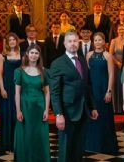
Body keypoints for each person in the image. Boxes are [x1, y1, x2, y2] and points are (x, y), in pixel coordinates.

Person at [49, 30, 98, 162]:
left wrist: (92, 107)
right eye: (69, 41)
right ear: (64, 44)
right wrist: (58, 114)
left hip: (83, 110)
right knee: (66, 148)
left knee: (78, 147)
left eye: (75, 41)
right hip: (67, 112)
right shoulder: (57, 63)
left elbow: (87, 85)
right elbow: (54, 92)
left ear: (79, 42)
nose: (73, 44)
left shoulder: (82, 60)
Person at [13, 44, 51, 162]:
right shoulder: (19, 71)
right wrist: (18, 110)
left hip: (39, 108)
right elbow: (17, 93)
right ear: (27, 54)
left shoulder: (45, 71)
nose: (34, 55)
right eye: (32, 53)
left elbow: (47, 92)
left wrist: (46, 109)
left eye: (36, 53)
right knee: (26, 135)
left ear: (39, 55)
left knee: (39, 136)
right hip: (25, 108)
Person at [85, 32, 118, 155]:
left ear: (104, 42)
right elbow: (87, 73)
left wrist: (109, 91)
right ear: (93, 42)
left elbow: (111, 74)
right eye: (95, 40)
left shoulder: (108, 56)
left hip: (103, 88)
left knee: (104, 116)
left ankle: (105, 145)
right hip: (92, 89)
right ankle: (91, 144)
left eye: (100, 40)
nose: (98, 42)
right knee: (92, 115)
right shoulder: (88, 55)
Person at [0, 32, 22, 154]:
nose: (12, 41)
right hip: (7, 87)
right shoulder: (2, 55)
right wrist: (2, 88)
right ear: (6, 42)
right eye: (9, 40)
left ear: (16, 41)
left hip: (19, 88)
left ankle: (17, 144)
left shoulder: (21, 54)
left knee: (16, 115)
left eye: (14, 39)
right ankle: (6, 145)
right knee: (7, 116)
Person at [109, 23, 124, 114]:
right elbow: (110, 54)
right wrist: (117, 63)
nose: (121, 31)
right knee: (117, 85)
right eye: (119, 29)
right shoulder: (114, 41)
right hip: (116, 66)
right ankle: (117, 109)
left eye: (123, 29)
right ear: (117, 31)